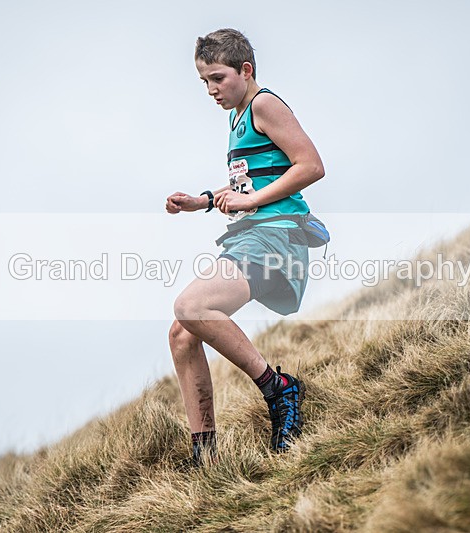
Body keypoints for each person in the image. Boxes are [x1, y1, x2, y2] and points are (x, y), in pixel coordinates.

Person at [164, 28, 325, 465]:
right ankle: (206, 455)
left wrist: (250, 201)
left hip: (277, 236)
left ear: (245, 69)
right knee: (181, 335)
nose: (211, 90)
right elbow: (251, 179)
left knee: (191, 307)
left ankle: (280, 390)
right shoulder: (236, 116)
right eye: (204, 82)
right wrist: (202, 201)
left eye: (218, 78)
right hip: (252, 235)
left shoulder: (264, 104)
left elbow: (311, 166)